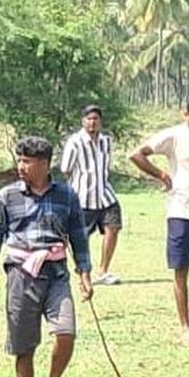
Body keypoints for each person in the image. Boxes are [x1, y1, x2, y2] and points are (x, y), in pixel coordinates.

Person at [0, 136, 93, 377]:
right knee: (23, 345)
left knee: (66, 333)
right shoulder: (7, 197)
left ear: (44, 164)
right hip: (20, 274)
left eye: (27, 161)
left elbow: (79, 236)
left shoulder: (66, 195)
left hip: (56, 273)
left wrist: (84, 273)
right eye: (19, 160)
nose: (21, 166)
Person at [129, 96, 189, 346]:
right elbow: (136, 155)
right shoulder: (172, 136)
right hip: (181, 214)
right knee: (181, 273)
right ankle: (185, 327)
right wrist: (161, 174)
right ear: (185, 114)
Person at [60, 104, 123, 285]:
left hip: (105, 194)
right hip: (83, 197)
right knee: (81, 237)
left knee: (113, 227)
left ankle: (103, 270)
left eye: (95, 119)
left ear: (100, 122)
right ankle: (83, 271)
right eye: (89, 119)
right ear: (83, 121)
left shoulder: (106, 141)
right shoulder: (75, 142)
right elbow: (66, 169)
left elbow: (106, 166)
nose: (92, 123)